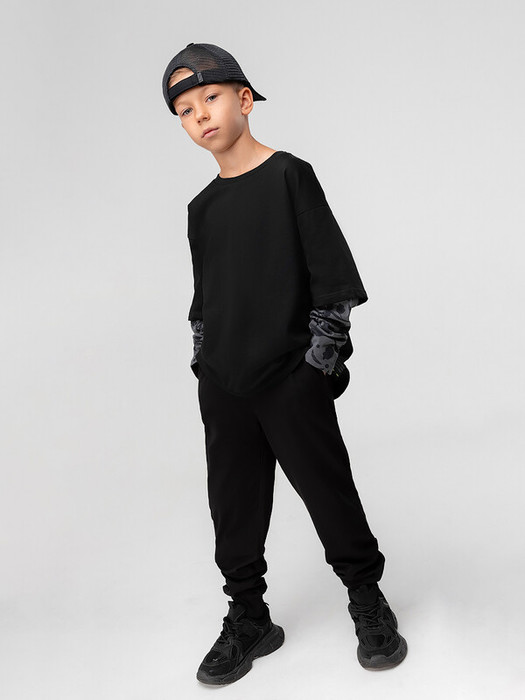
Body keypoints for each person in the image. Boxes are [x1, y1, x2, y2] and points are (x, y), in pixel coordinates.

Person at [161, 42, 408, 685]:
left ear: (244, 99)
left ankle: (367, 600)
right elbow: (205, 299)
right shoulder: (201, 209)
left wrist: (316, 367)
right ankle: (249, 617)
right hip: (225, 383)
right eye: (185, 110)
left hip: (289, 376)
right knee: (233, 505)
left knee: (328, 490)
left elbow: (331, 276)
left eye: (211, 97)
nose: (200, 115)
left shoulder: (290, 176)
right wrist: (204, 363)